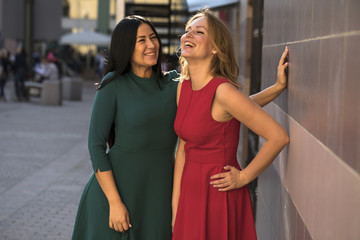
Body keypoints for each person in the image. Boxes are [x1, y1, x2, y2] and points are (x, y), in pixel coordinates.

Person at [71, 15, 288, 240]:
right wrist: (114, 202)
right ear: (126, 47)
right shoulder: (113, 84)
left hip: (159, 193)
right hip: (115, 191)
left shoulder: (174, 84)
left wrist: (276, 88)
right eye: (141, 40)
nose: (151, 44)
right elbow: (95, 147)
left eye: (153, 37)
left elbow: (227, 107)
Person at [171, 9, 289, 240]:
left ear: (215, 47)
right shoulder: (183, 86)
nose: (189, 35)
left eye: (199, 32)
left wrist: (244, 177)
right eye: (187, 31)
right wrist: (176, 209)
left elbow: (278, 137)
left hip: (219, 193)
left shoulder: (224, 91)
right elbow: (184, 147)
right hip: (190, 193)